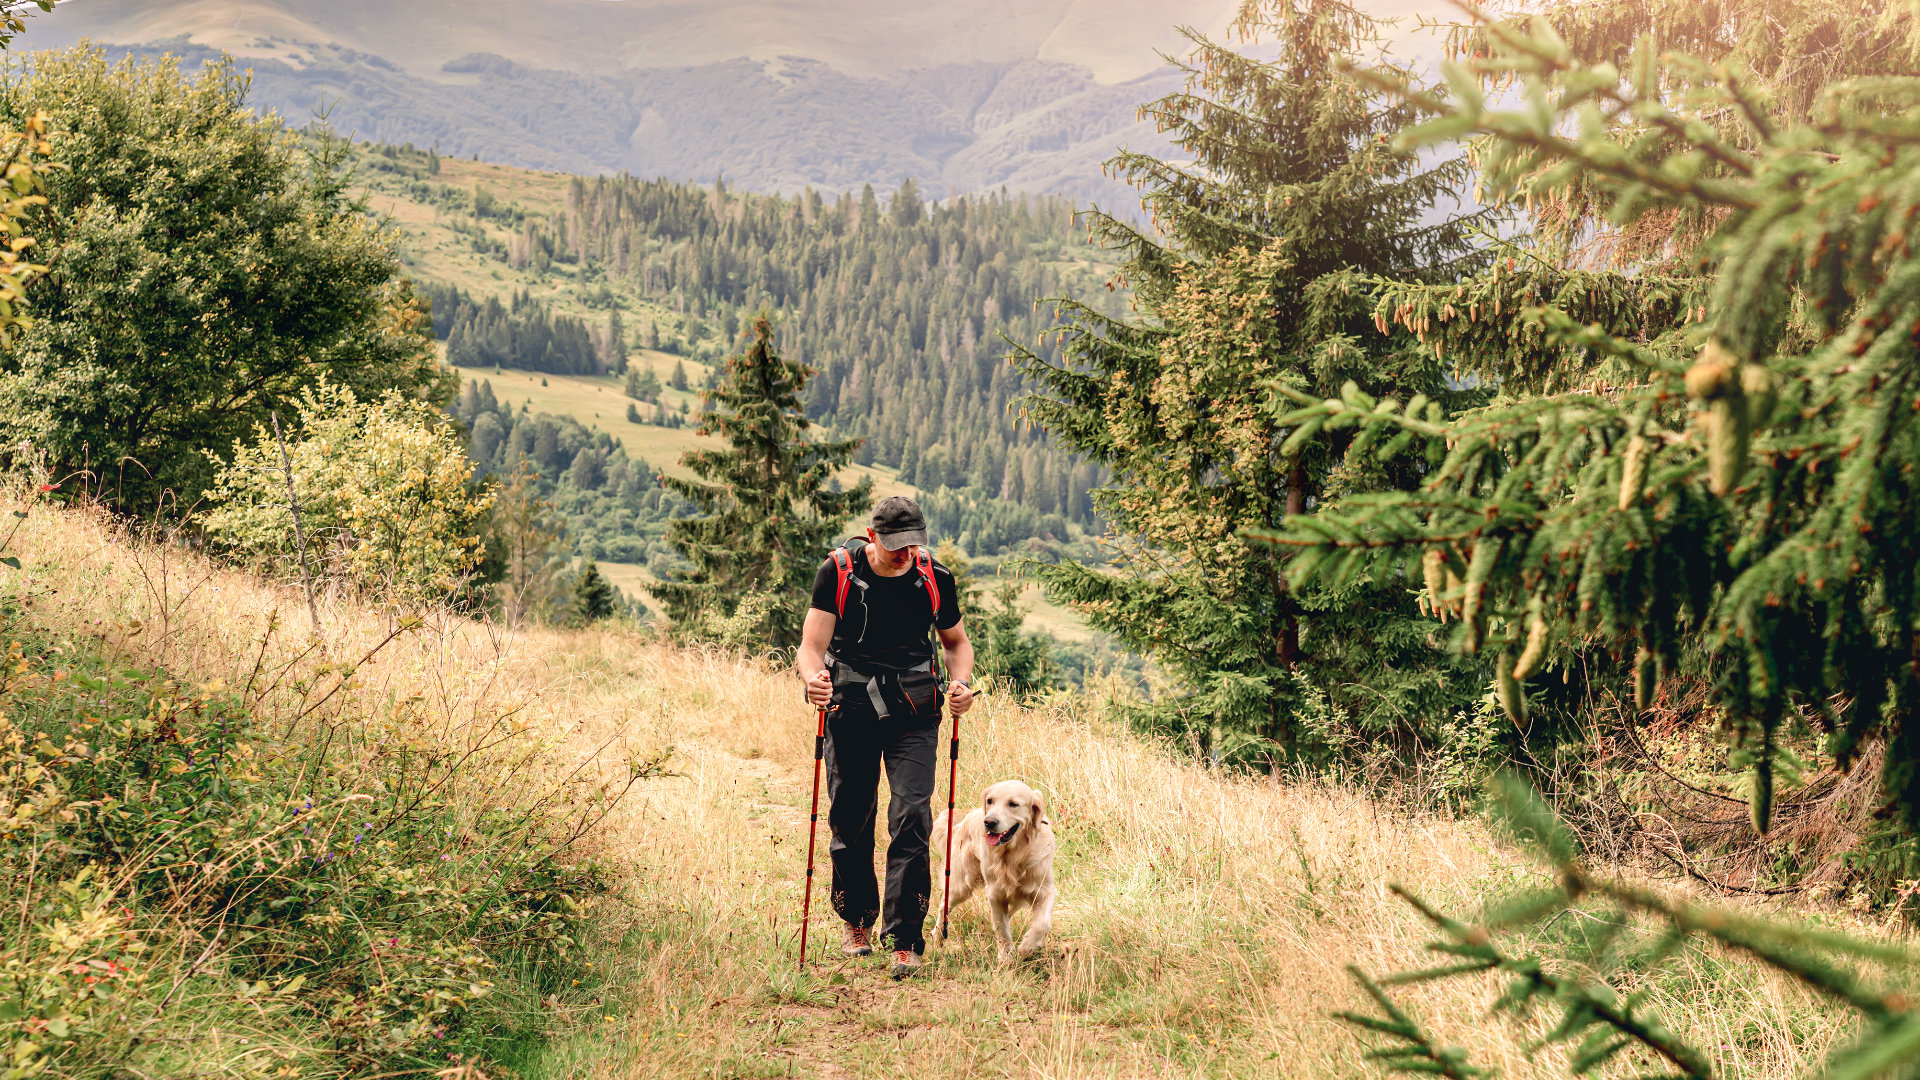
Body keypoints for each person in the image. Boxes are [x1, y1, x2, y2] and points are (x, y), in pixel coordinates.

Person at [796, 495, 975, 979]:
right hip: (848, 707)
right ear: (871, 536)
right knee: (851, 815)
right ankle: (856, 920)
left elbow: (956, 644)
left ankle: (904, 938)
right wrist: (813, 679)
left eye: (913, 544)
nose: (905, 553)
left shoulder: (934, 578)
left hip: (914, 711)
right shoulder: (837, 572)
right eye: (896, 545)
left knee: (912, 814)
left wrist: (959, 685)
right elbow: (811, 648)